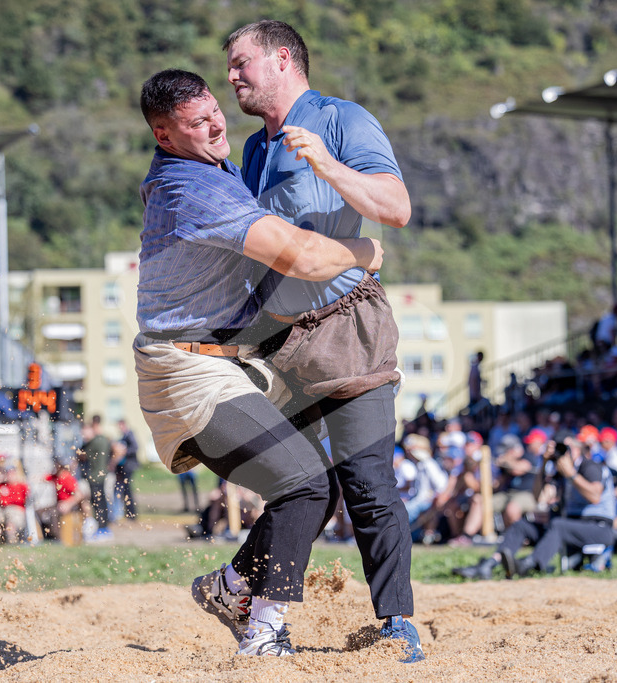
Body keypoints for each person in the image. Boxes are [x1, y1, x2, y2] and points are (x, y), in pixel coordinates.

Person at [135, 68, 383, 658]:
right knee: (303, 483)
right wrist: (363, 252)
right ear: (164, 136)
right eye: (197, 123)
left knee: (316, 489)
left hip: (222, 360)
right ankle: (265, 632)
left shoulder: (211, 167)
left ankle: (231, 586)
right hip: (186, 369)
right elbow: (298, 255)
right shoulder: (190, 188)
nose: (217, 124)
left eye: (215, 110)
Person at [223, 20, 423, 662]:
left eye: (240, 63)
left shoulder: (341, 120)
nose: (231, 77)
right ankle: (239, 594)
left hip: (348, 332)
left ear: (282, 60)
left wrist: (330, 166)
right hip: (279, 344)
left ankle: (396, 623)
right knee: (303, 485)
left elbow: (395, 208)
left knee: (365, 480)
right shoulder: (254, 150)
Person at [454, 435, 616, 579]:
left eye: (567, 448)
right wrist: (544, 464)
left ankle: (528, 565)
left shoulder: (590, 466)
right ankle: (489, 564)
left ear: (578, 448)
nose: (563, 453)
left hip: (598, 528)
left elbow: (595, 496)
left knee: (558, 525)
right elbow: (538, 497)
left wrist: (571, 474)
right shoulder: (560, 471)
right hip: (566, 527)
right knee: (521, 526)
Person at [80, 416, 112, 530]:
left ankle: (101, 526)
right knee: (101, 501)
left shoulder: (93, 442)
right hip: (101, 475)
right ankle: (103, 526)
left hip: (95, 477)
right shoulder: (103, 439)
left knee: (98, 503)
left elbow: (81, 455)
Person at [114, 419, 139, 521]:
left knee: (128, 490)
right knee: (125, 490)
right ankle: (128, 513)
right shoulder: (123, 436)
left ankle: (131, 514)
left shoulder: (129, 434)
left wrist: (124, 451)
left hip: (129, 466)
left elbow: (135, 447)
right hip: (124, 467)